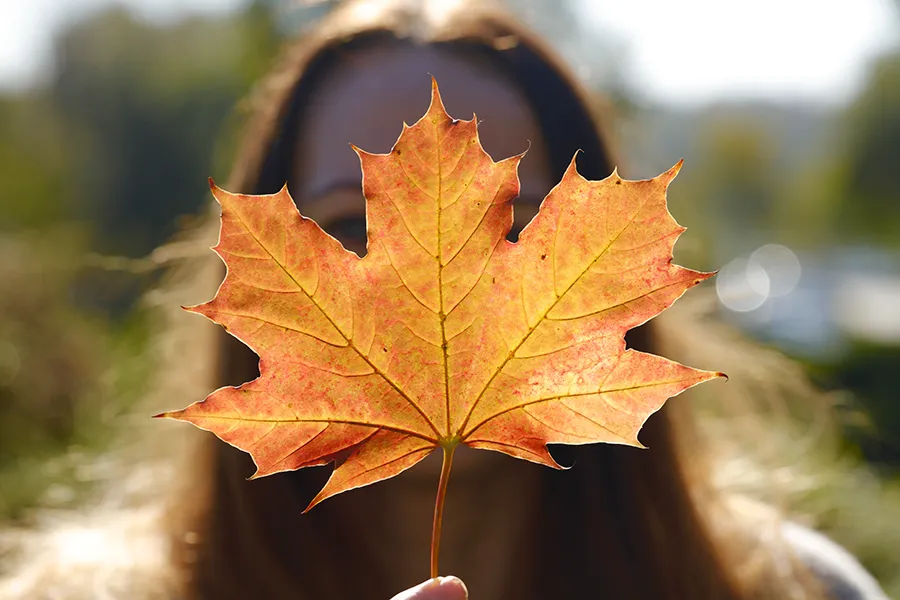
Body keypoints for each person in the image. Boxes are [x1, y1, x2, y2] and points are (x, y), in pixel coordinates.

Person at [0, 1, 886, 599]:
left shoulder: (801, 589)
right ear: (254, 275)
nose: (452, 303)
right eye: (348, 222)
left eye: (520, 219)